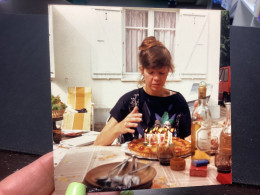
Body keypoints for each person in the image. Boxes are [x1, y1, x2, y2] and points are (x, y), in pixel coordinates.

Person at [94, 36, 191, 146]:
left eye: (161, 73)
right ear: (142, 70)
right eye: (151, 72)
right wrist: (119, 128)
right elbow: (98, 143)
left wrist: (199, 129)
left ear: (168, 71)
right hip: (133, 162)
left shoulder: (178, 101)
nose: (156, 78)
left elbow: (186, 141)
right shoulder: (130, 100)